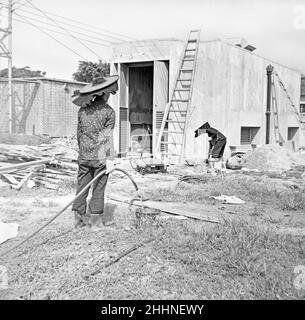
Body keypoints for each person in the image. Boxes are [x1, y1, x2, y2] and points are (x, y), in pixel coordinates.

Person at [71, 75, 119, 230]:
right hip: (100, 159)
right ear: (104, 94)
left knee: (82, 187)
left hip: (84, 156)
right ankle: (96, 223)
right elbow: (107, 137)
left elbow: (79, 134)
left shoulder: (83, 110)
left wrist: (83, 150)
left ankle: (79, 221)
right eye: (109, 94)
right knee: (98, 189)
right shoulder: (109, 112)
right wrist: (110, 159)